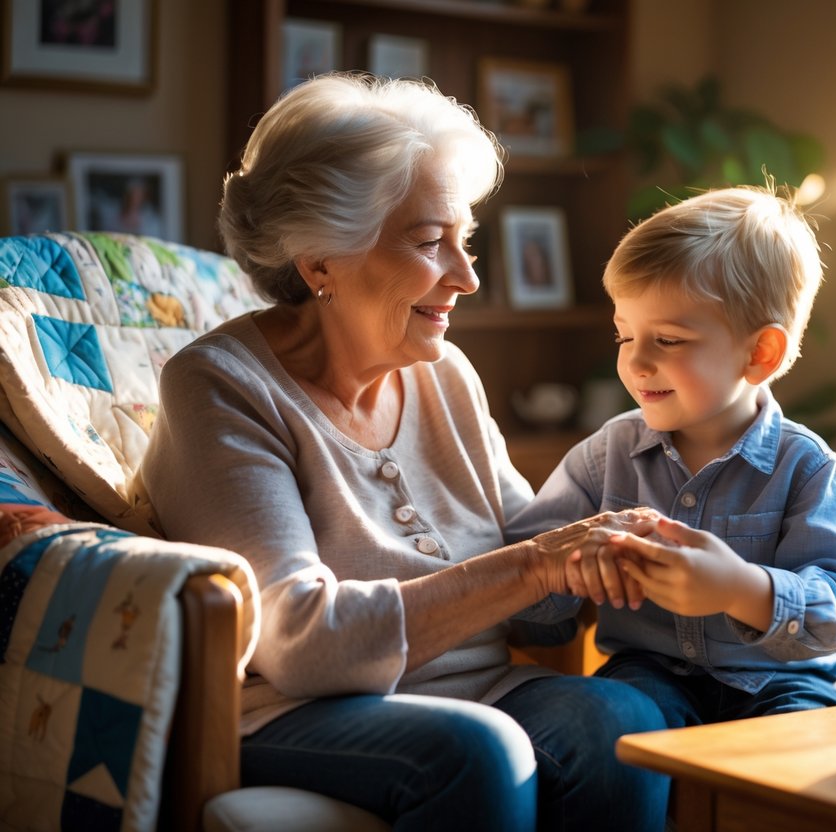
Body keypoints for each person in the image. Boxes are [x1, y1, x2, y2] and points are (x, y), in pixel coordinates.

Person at [133, 73, 667, 831]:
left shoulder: (443, 373)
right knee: (475, 753)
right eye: (429, 243)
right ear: (321, 261)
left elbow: (542, 603)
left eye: (466, 240)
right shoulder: (220, 387)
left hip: (482, 693)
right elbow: (300, 642)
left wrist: (633, 509)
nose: (468, 276)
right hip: (302, 711)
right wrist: (540, 561)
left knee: (618, 720)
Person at [507, 185, 836, 731]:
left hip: (777, 683)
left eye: (668, 340)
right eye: (625, 336)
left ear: (759, 353)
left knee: (797, 757)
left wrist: (739, 588)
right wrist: (570, 567)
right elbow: (524, 594)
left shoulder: (805, 465)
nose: (636, 362)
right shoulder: (607, 455)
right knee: (614, 724)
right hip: (648, 674)